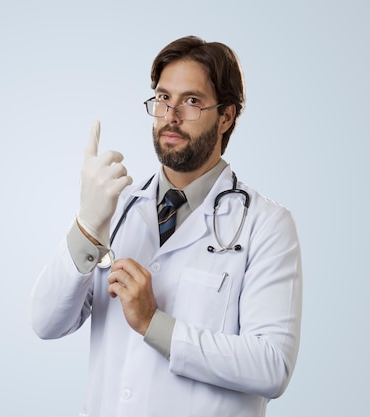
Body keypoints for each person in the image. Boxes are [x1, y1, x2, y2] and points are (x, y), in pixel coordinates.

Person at [30, 35, 302, 417]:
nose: (171, 115)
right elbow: (46, 323)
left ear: (226, 116)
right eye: (162, 98)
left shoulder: (266, 225)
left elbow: (272, 366)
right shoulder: (116, 207)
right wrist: (87, 226)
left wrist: (153, 324)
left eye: (191, 101)